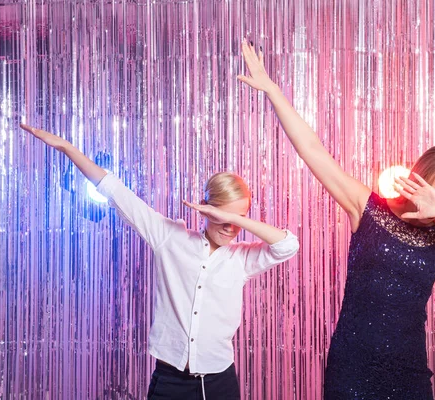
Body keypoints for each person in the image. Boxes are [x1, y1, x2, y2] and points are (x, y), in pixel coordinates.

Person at [237, 40, 435, 399]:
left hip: (408, 369)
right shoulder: (368, 208)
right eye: (434, 193)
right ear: (418, 179)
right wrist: (272, 91)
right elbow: (313, 151)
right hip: (351, 365)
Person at [19, 123, 299, 400]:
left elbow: (288, 245)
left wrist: (236, 218)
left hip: (220, 382)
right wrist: (69, 149)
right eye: (221, 217)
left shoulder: (243, 259)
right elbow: (117, 192)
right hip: (170, 380)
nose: (229, 228)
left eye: (237, 221)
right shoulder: (170, 238)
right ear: (205, 207)